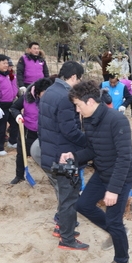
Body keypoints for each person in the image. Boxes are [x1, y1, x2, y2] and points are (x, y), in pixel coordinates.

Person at [59, 80, 132, 263]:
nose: (77, 111)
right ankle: (114, 231)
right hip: (103, 171)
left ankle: (121, 260)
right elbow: (92, 150)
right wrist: (74, 156)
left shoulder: (117, 120)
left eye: (78, 105)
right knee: (83, 205)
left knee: (114, 219)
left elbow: (124, 157)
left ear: (91, 102)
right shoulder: (89, 119)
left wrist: (114, 190)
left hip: (121, 175)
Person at [38, 61, 88, 250]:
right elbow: (70, 130)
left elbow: (42, 127)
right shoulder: (67, 97)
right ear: (74, 77)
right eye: (79, 79)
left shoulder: (49, 92)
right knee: (70, 198)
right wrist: (87, 143)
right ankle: (67, 239)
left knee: (64, 195)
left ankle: (62, 227)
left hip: (50, 153)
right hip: (64, 156)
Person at [8, 77, 53, 185]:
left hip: (45, 132)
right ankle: (19, 176)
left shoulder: (52, 99)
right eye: (45, 93)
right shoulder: (26, 97)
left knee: (47, 155)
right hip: (28, 131)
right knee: (21, 154)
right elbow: (14, 107)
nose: (47, 95)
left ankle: (52, 177)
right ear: (37, 91)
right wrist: (18, 116)